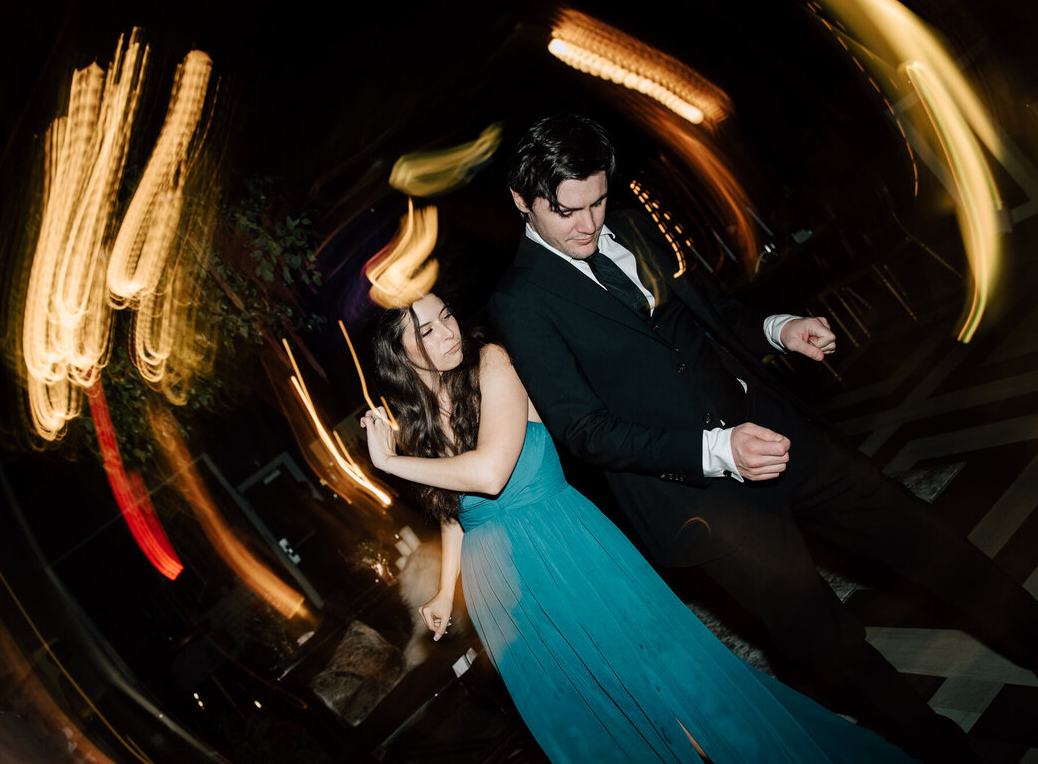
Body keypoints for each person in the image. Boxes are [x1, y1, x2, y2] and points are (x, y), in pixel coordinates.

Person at [487, 114, 1038, 763]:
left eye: (599, 200)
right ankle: (947, 753)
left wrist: (780, 329)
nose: (589, 224)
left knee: (925, 540)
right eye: (568, 210)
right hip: (701, 498)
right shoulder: (521, 302)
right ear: (524, 201)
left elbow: (715, 317)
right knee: (823, 636)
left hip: (774, 427)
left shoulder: (630, 223)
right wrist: (719, 451)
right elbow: (585, 432)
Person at [361, 292, 914, 763]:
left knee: (673, 689)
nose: (447, 333)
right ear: (399, 354)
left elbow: (488, 471)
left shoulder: (493, 364)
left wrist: (389, 463)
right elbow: (456, 509)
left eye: (446, 317)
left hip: (569, 554)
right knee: (590, 718)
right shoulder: (420, 421)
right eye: (426, 331)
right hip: (504, 594)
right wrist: (443, 587)